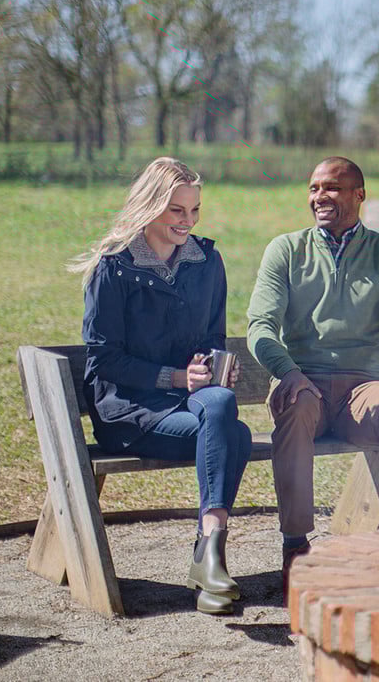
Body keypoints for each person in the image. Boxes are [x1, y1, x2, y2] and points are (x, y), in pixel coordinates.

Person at [246, 156, 379, 589]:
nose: (320, 197)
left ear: (360, 195)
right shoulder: (286, 250)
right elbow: (260, 326)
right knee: (296, 406)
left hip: (363, 388)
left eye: (332, 188)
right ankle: (295, 545)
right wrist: (288, 372)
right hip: (304, 385)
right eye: (315, 188)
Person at [71, 157, 251, 615]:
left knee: (223, 404)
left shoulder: (207, 262)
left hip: (189, 402)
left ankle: (210, 546)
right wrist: (174, 377)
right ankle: (207, 561)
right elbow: (104, 359)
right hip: (129, 410)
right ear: (151, 207)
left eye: (194, 212)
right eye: (176, 211)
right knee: (238, 435)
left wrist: (214, 366)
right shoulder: (113, 269)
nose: (187, 222)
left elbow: (212, 338)